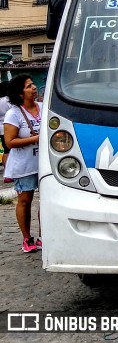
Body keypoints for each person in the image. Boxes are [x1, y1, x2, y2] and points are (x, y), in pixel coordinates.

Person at [3, 74, 42, 253]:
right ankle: (27, 239)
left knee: (47, 201)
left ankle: (44, 236)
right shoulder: (14, 114)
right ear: (20, 93)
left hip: (45, 163)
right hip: (24, 165)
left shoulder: (43, 107)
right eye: (28, 86)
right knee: (25, 201)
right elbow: (10, 142)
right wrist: (37, 138)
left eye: (33, 84)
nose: (33, 87)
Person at [0, 81, 11, 169]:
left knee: (6, 150)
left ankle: (6, 171)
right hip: (9, 127)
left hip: (1, 128)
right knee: (10, 150)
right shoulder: (8, 100)